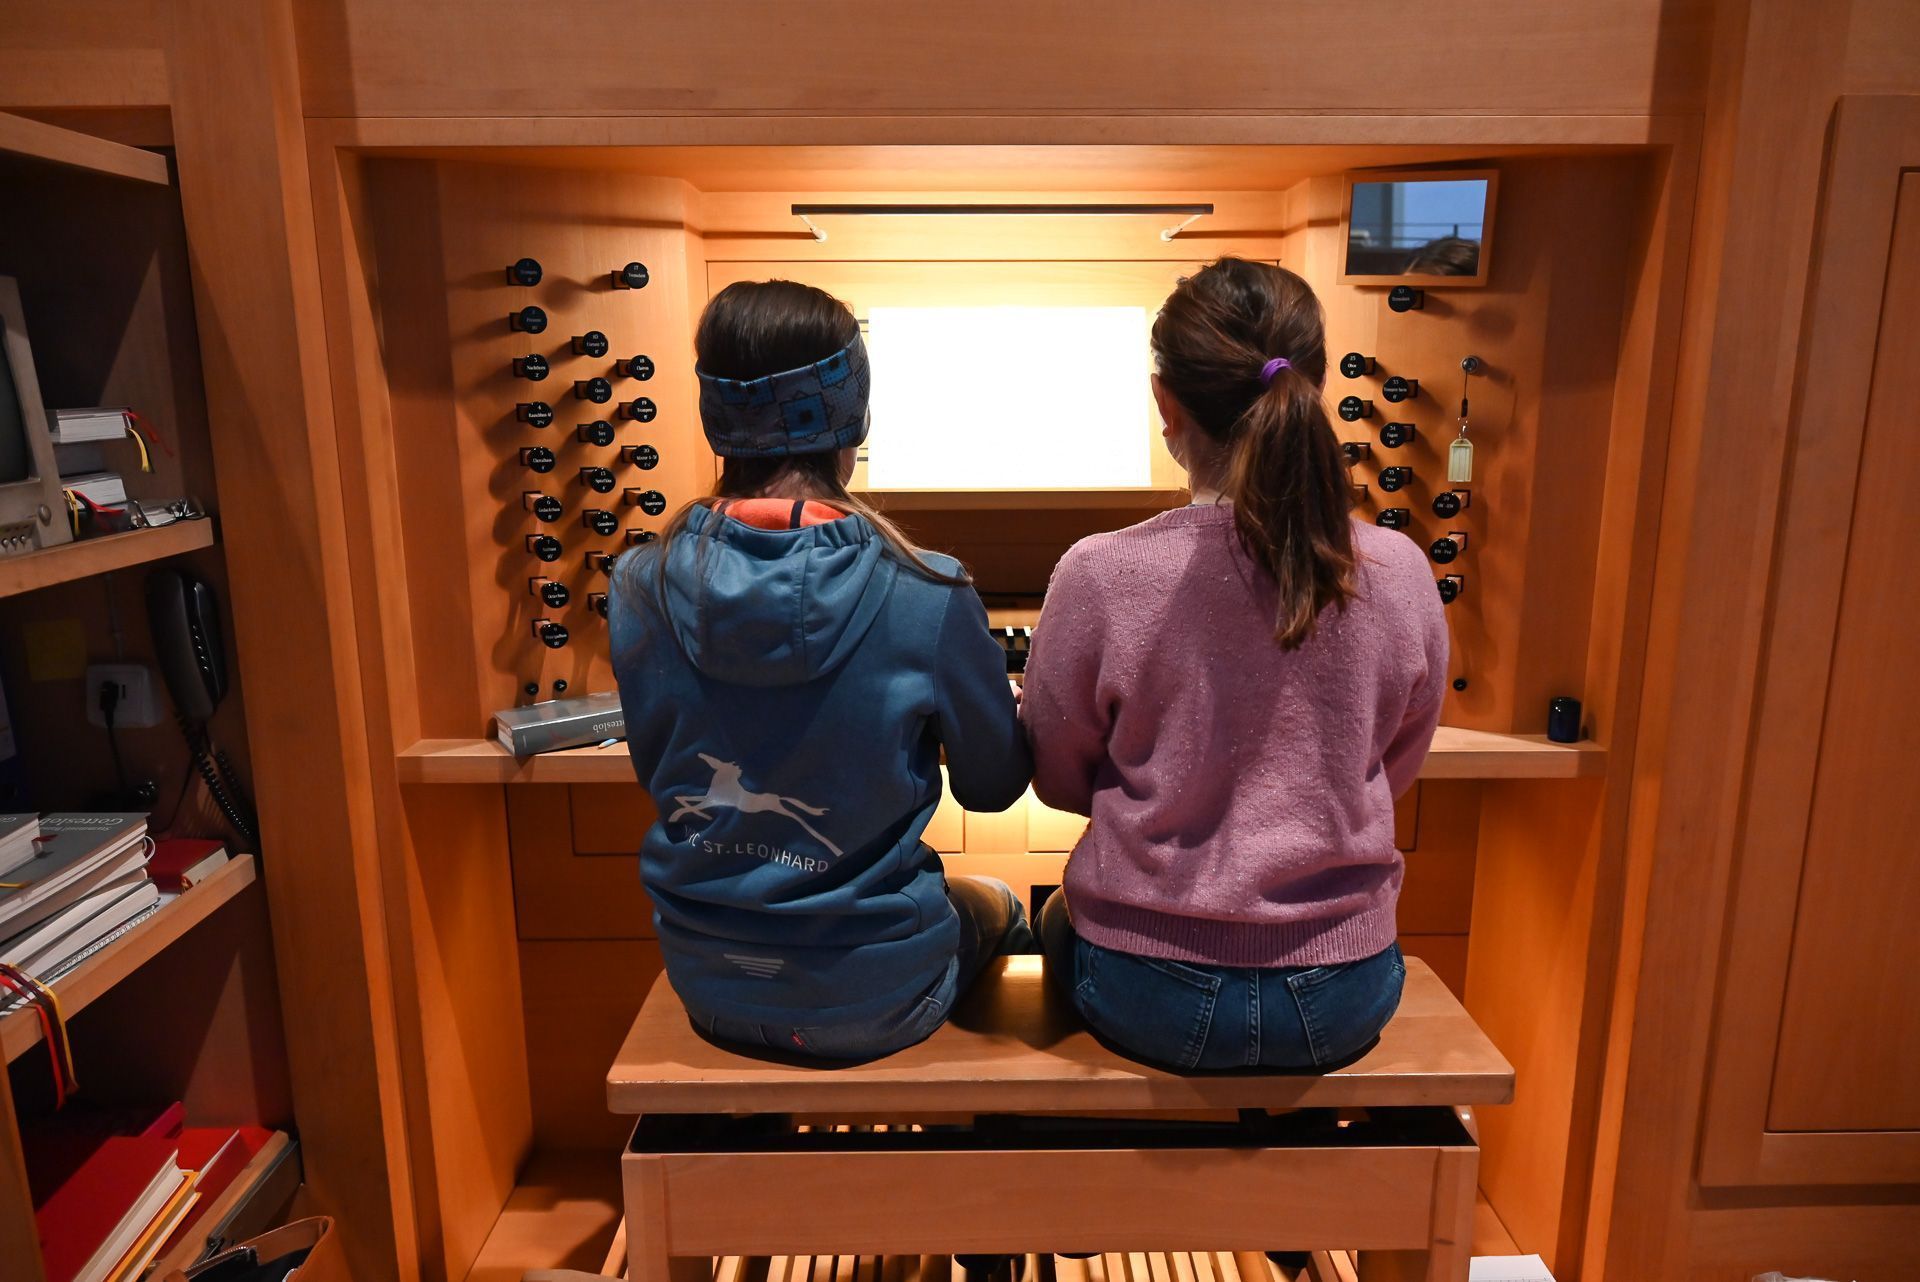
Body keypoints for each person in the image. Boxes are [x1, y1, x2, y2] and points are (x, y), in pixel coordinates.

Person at [1022, 257, 1449, 1072]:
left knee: (1033, 923)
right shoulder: (1399, 568)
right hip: (1342, 991)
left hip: (1151, 990)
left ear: (1165, 404)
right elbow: (1396, 761)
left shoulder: (1100, 571)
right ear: (1313, 387)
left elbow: (1057, 776)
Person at [608, 279, 1034, 1060]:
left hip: (708, 984)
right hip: (876, 999)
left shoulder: (637, 586)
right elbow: (993, 786)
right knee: (1005, 902)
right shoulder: (927, 587)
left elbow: (654, 761)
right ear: (853, 414)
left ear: (715, 418)